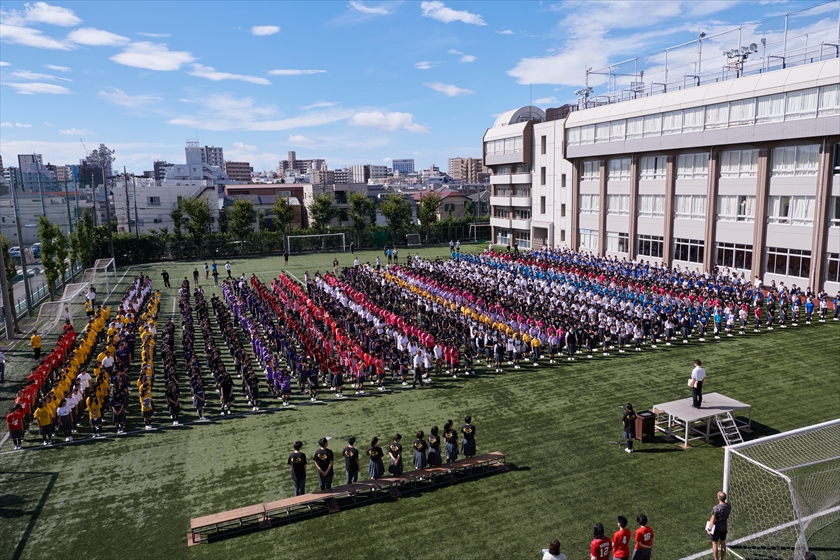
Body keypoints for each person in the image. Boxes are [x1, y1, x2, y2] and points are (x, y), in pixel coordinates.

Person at [707, 491, 732, 560]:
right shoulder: (728, 506)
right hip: (724, 527)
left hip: (716, 529)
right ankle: (721, 559)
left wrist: (709, 529)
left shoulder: (716, 508)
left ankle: (716, 559)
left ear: (718, 498)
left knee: (714, 543)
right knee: (723, 542)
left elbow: (712, 519)